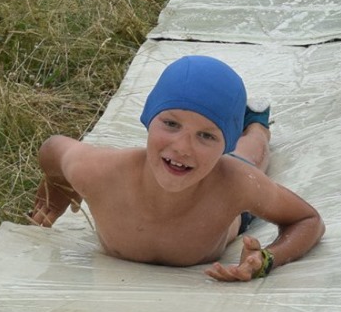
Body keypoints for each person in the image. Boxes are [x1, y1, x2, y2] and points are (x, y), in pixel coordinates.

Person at [31, 55, 324, 282]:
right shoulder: (98, 172)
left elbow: (308, 220)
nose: (183, 147)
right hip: (208, 172)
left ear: (224, 144)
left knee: (252, 153)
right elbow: (53, 148)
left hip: (224, 194)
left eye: (206, 135)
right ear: (148, 118)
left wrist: (268, 259)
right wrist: (60, 185)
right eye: (171, 124)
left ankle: (257, 121)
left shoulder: (237, 183)